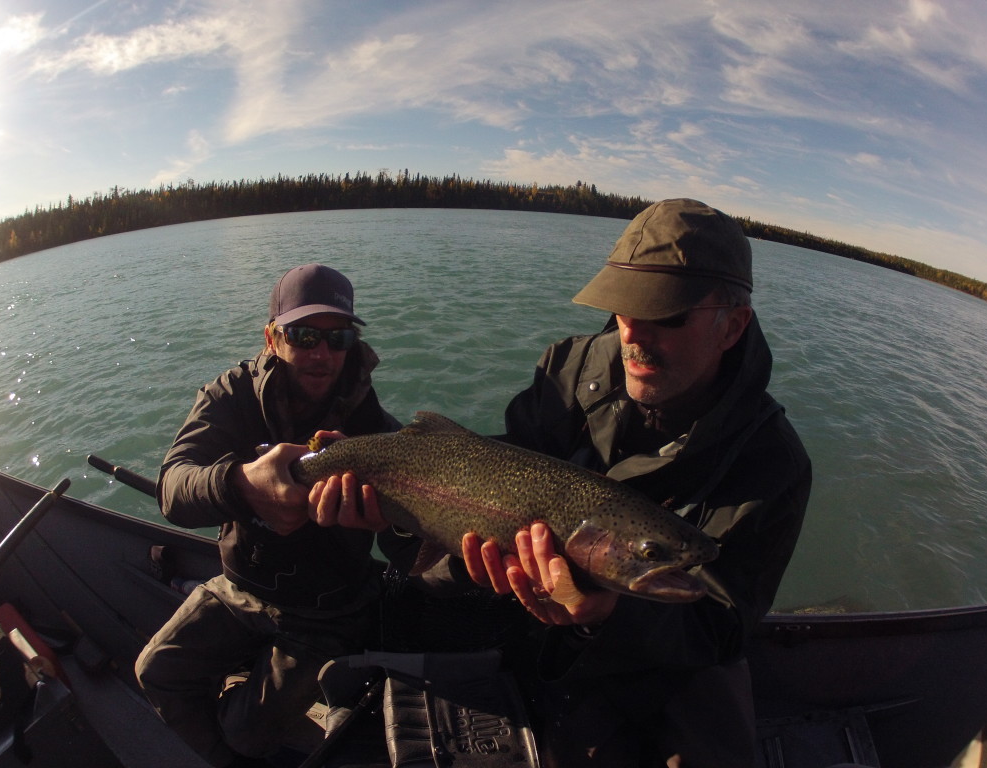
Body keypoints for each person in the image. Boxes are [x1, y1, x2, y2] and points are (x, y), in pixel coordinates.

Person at [456, 199, 812, 767]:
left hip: (654, 658)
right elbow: (485, 481)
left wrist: (609, 614)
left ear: (732, 326)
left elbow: (722, 626)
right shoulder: (566, 369)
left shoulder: (772, 463)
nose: (634, 335)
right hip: (527, 612)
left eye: (667, 315)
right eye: (623, 307)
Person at [135, 263, 399, 768]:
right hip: (239, 587)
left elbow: (411, 537)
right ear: (272, 337)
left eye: (338, 337)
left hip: (327, 611)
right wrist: (238, 484)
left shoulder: (373, 427)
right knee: (156, 673)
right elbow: (173, 487)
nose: (322, 355)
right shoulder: (229, 394)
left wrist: (388, 520)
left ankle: (244, 712)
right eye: (302, 335)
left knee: (246, 733)